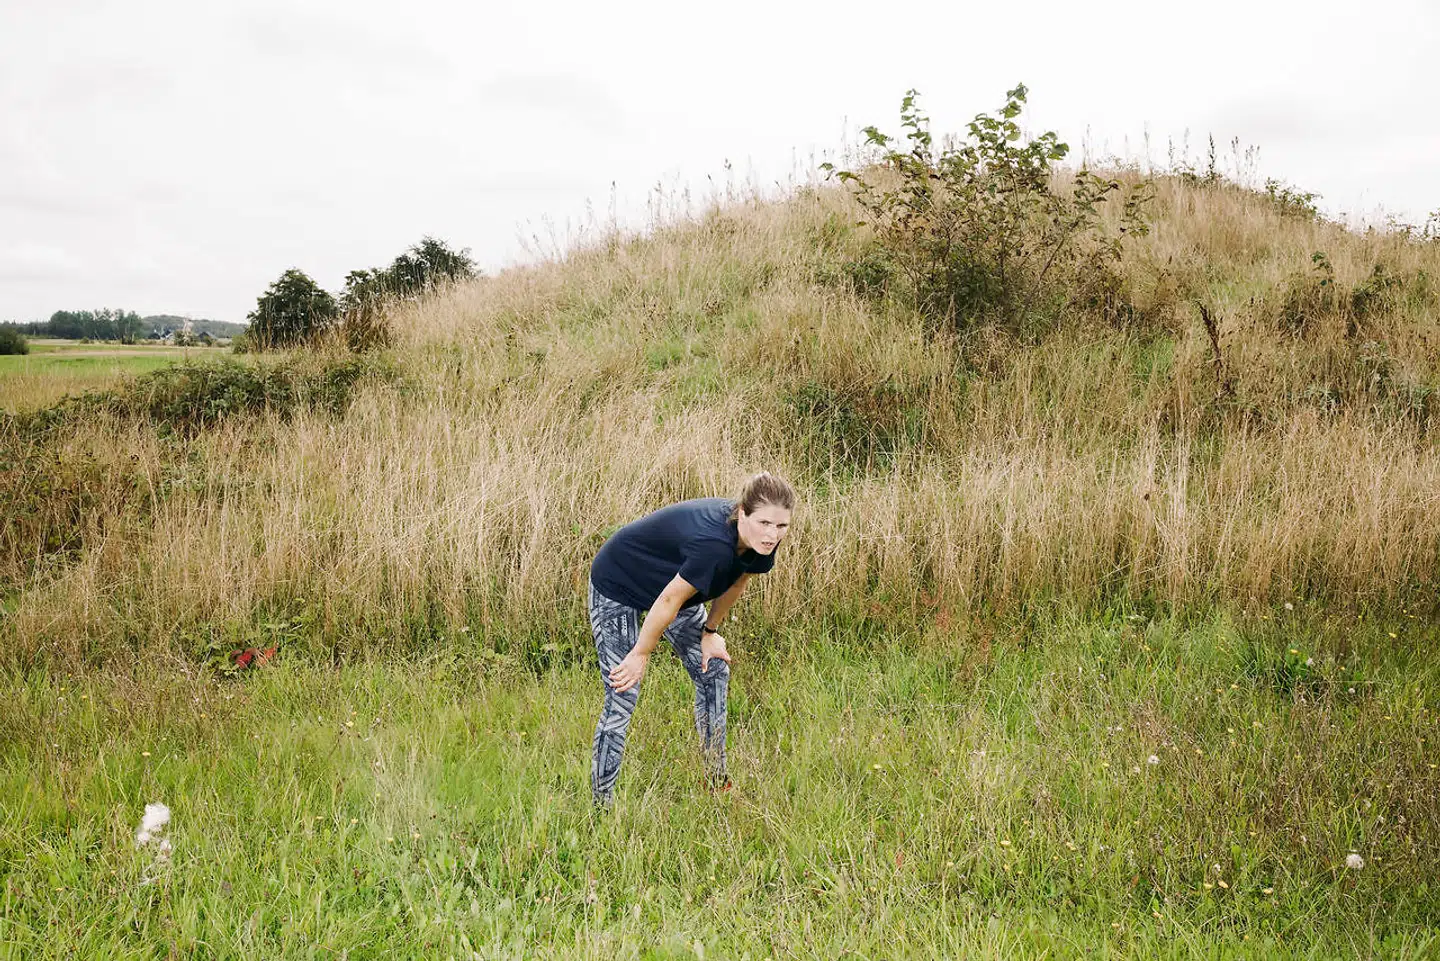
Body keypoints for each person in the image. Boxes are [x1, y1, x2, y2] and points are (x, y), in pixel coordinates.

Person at [587, 472, 796, 807]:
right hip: (620, 583)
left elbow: (737, 583)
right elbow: (668, 601)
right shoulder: (713, 545)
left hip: (676, 586)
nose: (772, 534)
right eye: (765, 523)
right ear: (742, 513)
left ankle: (716, 781)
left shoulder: (760, 541)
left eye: (781, 526)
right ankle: (600, 807)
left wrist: (709, 633)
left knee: (714, 670)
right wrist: (641, 652)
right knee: (623, 691)